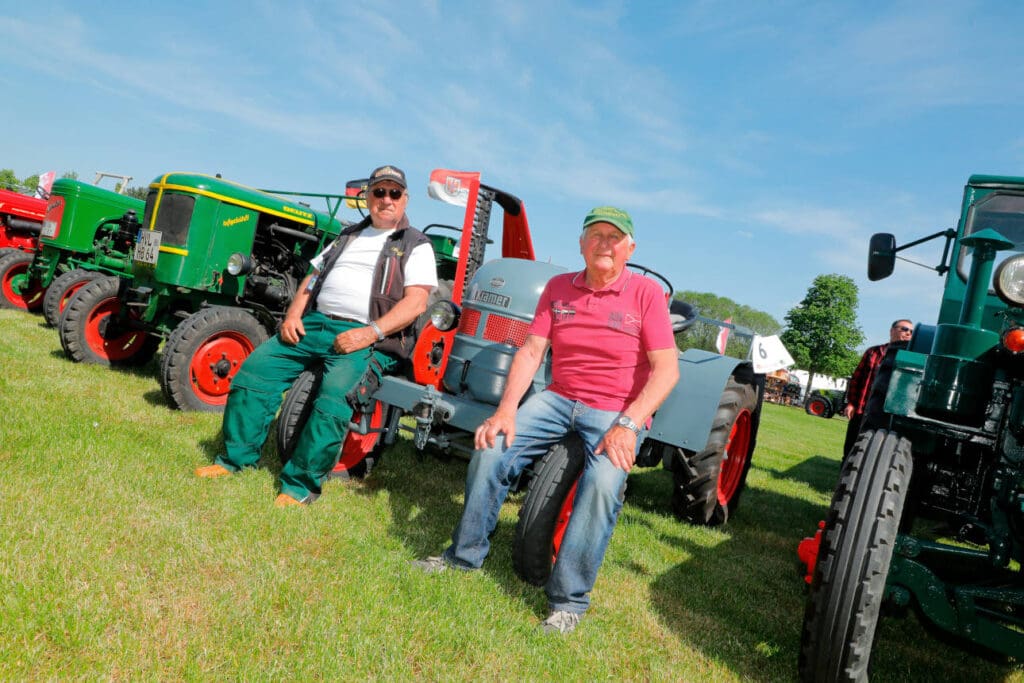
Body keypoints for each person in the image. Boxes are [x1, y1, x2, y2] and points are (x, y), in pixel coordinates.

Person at [413, 206, 680, 634]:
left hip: (617, 410)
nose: (604, 244)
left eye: (615, 237)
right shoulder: (558, 288)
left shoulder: (645, 294)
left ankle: (568, 601)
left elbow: (667, 370)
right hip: (558, 399)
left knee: (602, 486)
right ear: (581, 242)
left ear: (629, 247)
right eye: (596, 234)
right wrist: (505, 412)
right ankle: (463, 557)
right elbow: (533, 351)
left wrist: (629, 425)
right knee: (491, 448)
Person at [195, 165, 438, 506]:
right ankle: (236, 459)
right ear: (367, 197)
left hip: (363, 335)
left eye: (394, 193)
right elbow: (312, 277)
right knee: (254, 374)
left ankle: (298, 486)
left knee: (333, 399)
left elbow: (416, 302)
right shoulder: (348, 235)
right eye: (379, 192)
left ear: (405, 199)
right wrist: (294, 314)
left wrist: (370, 333)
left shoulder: (415, 245)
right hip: (315, 324)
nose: (386, 199)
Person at [842, 318, 913, 456]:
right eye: (904, 329)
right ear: (892, 331)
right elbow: (857, 379)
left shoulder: (911, 359)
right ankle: (845, 473)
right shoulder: (873, 352)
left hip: (887, 415)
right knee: (851, 446)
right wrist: (851, 403)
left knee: (874, 451)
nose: (908, 333)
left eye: (911, 331)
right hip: (862, 409)